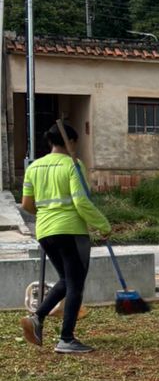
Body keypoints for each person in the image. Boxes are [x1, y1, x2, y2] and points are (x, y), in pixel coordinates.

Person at [20, 122, 112, 353]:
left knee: (66, 280)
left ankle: (37, 317)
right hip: (71, 231)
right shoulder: (73, 164)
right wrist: (103, 224)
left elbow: (27, 205)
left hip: (45, 232)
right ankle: (66, 339)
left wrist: (47, 217)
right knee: (76, 285)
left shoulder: (34, 167)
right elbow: (81, 201)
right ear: (71, 142)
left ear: (50, 142)